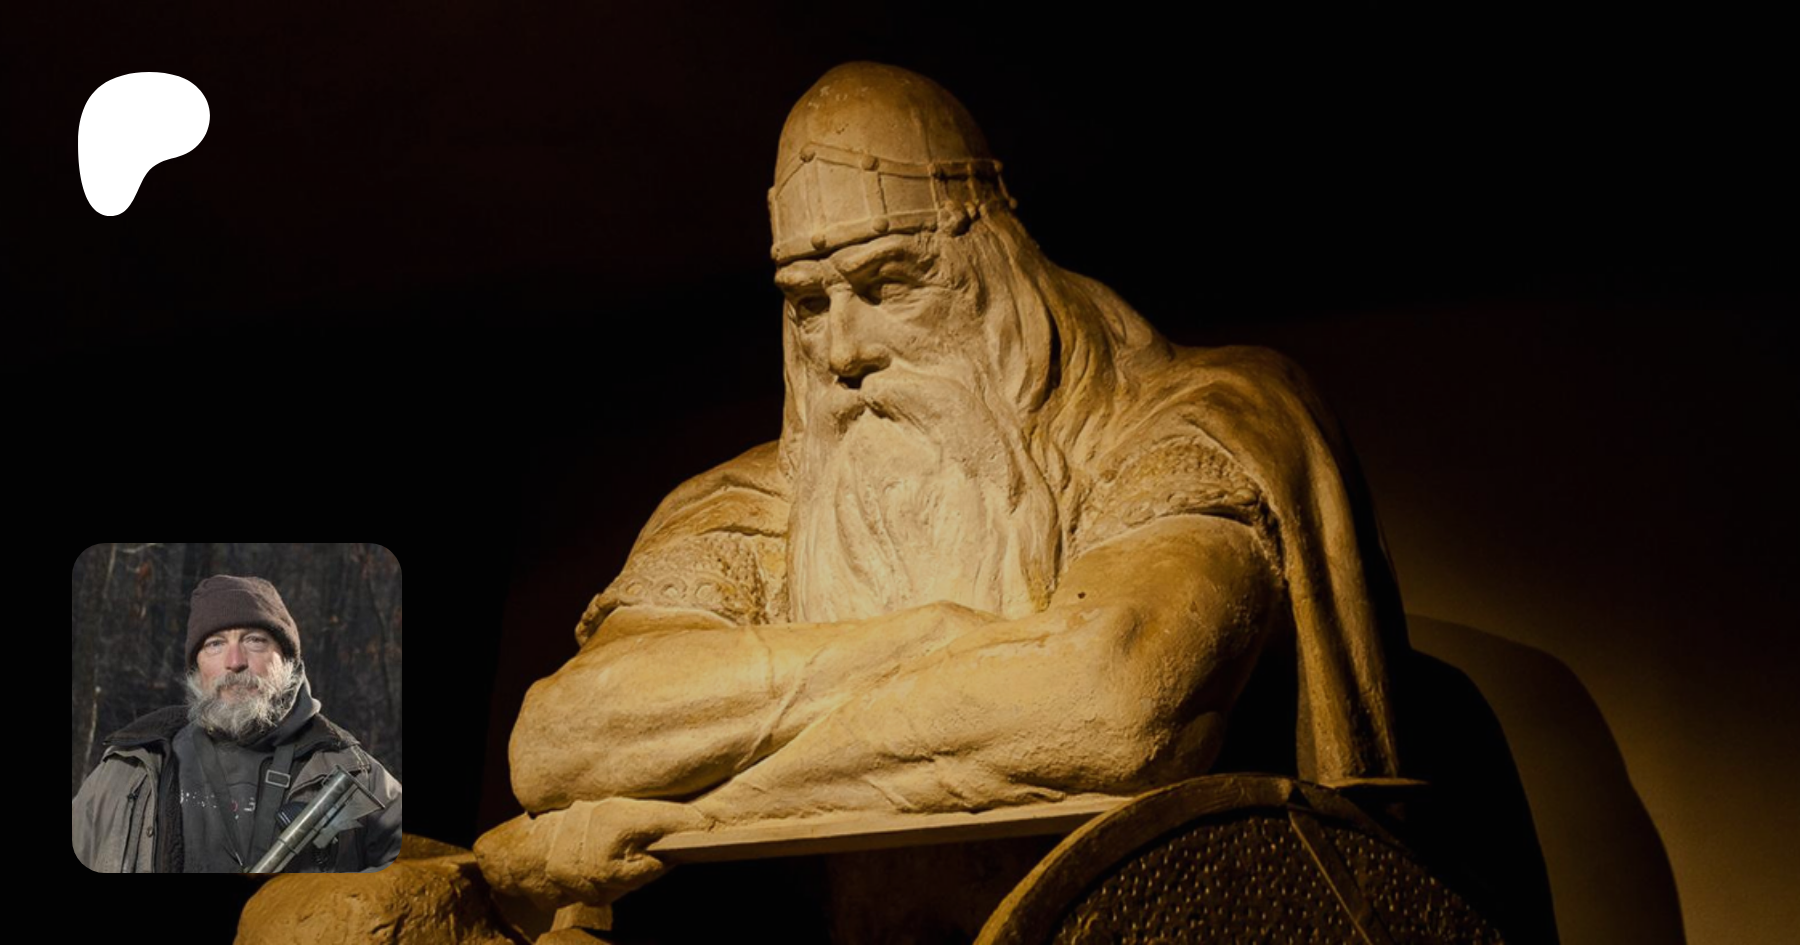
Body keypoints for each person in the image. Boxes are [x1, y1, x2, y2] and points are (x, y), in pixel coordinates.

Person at [475, 62, 1411, 912]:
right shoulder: (752, 506)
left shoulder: (1181, 428)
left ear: (992, 267)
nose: (842, 349)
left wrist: (701, 810)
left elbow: (1112, 704)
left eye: (889, 284)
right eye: (808, 302)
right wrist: (929, 640)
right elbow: (562, 740)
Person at [72, 574, 403, 873]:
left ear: (288, 660)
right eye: (215, 644)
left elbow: (422, 876)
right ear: (196, 667)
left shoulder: (355, 773)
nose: (235, 662)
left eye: (254, 640)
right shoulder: (131, 769)